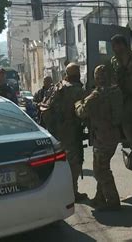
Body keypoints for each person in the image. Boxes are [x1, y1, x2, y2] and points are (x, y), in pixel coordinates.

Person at [75, 65, 123, 211]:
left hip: (102, 137)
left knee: (100, 170)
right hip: (113, 136)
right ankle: (99, 197)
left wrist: (77, 103)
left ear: (97, 78)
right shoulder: (116, 91)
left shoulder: (96, 95)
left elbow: (81, 112)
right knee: (102, 165)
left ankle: (113, 200)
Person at [42, 63, 87, 202]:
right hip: (72, 132)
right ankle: (73, 193)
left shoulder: (57, 87)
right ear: (77, 74)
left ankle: (60, 192)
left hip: (56, 131)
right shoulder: (77, 90)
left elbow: (45, 106)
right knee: (74, 163)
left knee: (60, 163)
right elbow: (84, 112)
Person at [109, 34, 132, 159]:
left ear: (123, 44)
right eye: (113, 46)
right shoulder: (114, 61)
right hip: (126, 94)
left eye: (116, 45)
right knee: (126, 123)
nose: (115, 48)